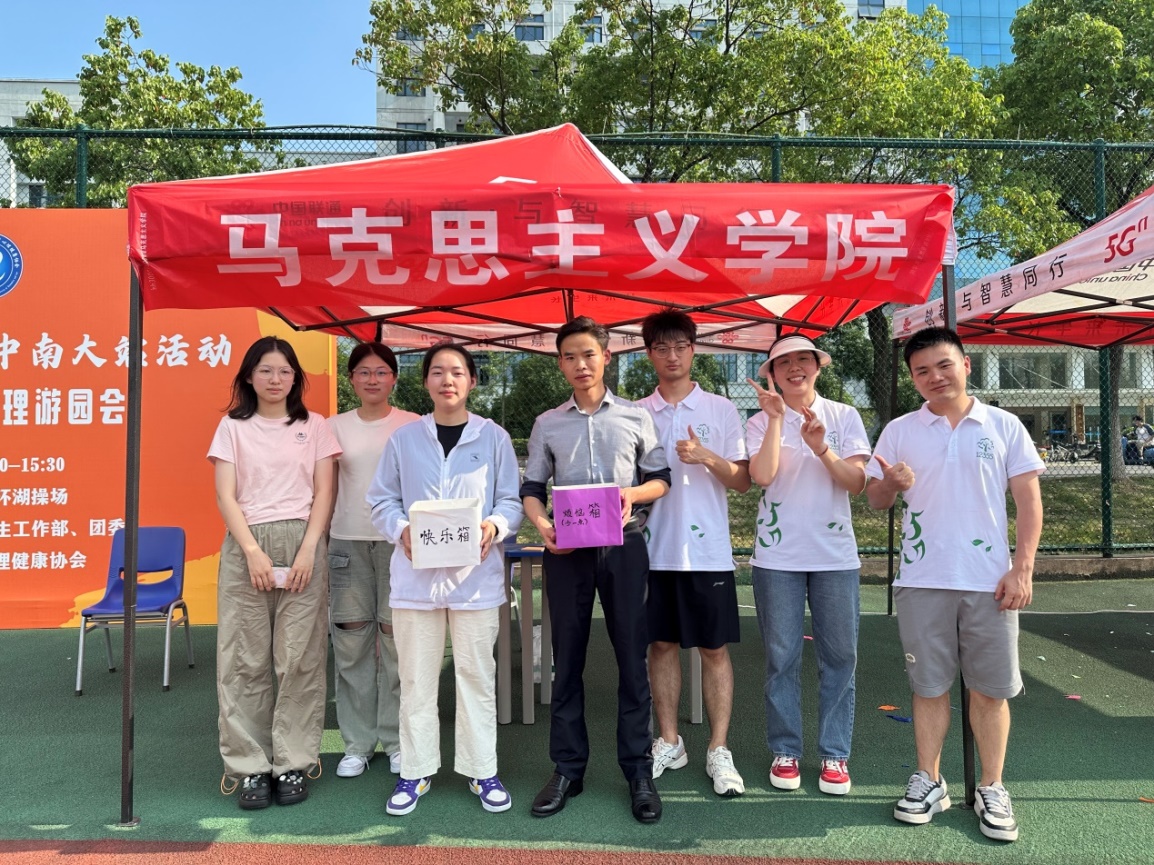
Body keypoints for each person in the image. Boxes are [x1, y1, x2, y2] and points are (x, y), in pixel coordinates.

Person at [866, 326, 1043, 843]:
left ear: (965, 365)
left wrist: (1022, 568)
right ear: (913, 379)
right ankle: (930, 779)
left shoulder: (1004, 425)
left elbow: (1029, 501)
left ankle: (992, 786)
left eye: (944, 365)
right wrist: (889, 484)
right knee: (928, 686)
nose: (934, 377)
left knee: (990, 690)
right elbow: (875, 499)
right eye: (922, 371)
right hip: (922, 579)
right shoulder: (900, 430)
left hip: (990, 581)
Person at [521, 316, 671, 824]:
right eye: (570, 356)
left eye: (588, 354)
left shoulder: (635, 416)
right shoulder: (548, 422)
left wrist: (632, 493)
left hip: (624, 547)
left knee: (632, 659)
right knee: (567, 659)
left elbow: (661, 478)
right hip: (567, 553)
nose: (580, 364)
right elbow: (532, 488)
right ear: (560, 363)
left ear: (606, 357)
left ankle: (638, 771)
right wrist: (542, 524)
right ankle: (568, 769)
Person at [367, 343, 523, 816]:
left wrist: (494, 526)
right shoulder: (404, 439)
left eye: (457, 372)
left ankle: (482, 770)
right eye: (437, 372)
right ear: (425, 382)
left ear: (472, 381)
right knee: (415, 680)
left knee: (476, 676)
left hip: (475, 582)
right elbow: (381, 500)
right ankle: (415, 771)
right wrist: (401, 530)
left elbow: (511, 501)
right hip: (415, 583)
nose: (447, 380)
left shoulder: (493, 437)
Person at [207, 336, 341, 810]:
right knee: (243, 659)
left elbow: (325, 493)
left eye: (285, 370)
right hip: (247, 543)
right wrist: (252, 552)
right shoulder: (231, 427)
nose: (275, 379)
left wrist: (309, 550)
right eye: (265, 370)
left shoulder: (315, 426)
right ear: (249, 376)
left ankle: (293, 762)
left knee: (299, 657)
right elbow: (225, 494)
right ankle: (250, 767)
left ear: (296, 378)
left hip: (304, 540)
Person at [745, 334, 870, 796]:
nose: (795, 368)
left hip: (834, 555)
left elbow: (857, 483)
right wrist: (777, 419)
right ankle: (786, 750)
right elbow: (762, 476)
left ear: (818, 366)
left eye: (804, 359)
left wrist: (821, 447)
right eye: (784, 363)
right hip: (777, 557)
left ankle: (835, 755)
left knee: (840, 657)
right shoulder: (759, 420)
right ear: (772, 374)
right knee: (782, 658)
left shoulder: (844, 415)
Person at [635, 310, 751, 797]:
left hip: (707, 553)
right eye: (662, 347)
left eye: (680, 346)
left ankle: (718, 748)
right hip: (651, 551)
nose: (672, 355)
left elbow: (742, 480)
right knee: (660, 646)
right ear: (649, 354)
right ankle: (669, 741)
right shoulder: (636, 412)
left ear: (693, 349)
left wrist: (706, 456)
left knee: (714, 649)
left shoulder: (721, 409)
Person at [327, 342, 419, 779]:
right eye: (363, 372)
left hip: (399, 544)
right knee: (351, 644)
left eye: (381, 371)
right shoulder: (332, 427)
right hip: (346, 542)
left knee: (396, 641)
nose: (372, 379)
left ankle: (397, 740)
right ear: (351, 380)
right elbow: (324, 489)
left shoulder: (412, 425)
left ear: (394, 378)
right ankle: (357, 743)